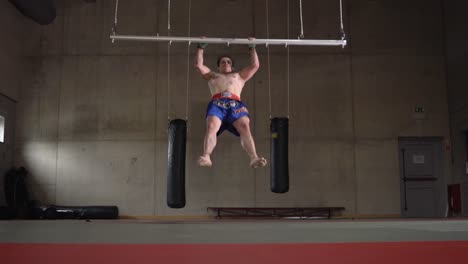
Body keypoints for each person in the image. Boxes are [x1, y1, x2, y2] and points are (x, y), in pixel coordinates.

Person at [194, 38, 267, 168]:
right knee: (211, 126)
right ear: (218, 66)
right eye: (222, 62)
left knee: (245, 127)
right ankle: (206, 155)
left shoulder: (239, 76)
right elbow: (199, 65)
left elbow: (255, 65)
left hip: (235, 104)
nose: (225, 63)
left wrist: (252, 47)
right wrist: (201, 47)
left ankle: (253, 157)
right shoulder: (213, 75)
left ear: (232, 66)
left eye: (228, 61)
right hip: (217, 103)